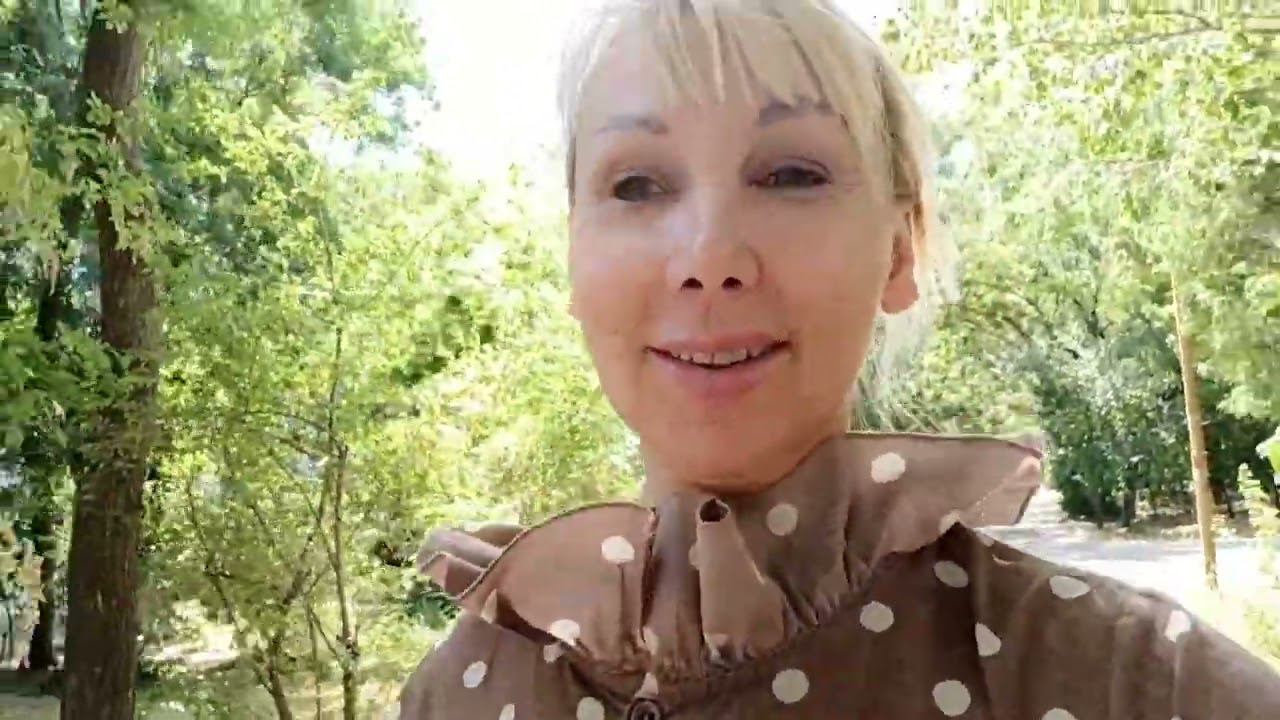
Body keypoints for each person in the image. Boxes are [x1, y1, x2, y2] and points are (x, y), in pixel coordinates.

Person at [400, 1, 1280, 717]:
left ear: (899, 249)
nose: (710, 255)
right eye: (636, 185)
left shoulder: (1133, 683)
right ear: (574, 256)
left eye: (790, 175)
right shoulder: (451, 698)